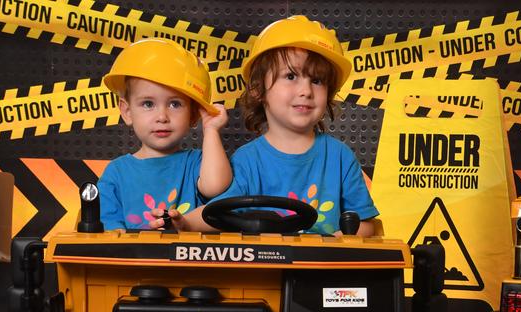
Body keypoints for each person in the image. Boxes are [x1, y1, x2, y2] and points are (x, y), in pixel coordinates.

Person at [178, 15, 378, 236]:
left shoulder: (340, 157)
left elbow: (368, 225)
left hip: (323, 269)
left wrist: (331, 245)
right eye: (291, 76)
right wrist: (183, 223)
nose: (306, 91)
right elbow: (217, 214)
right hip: (265, 270)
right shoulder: (247, 161)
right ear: (258, 88)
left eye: (317, 80)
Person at [98, 38, 231, 231]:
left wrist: (211, 130)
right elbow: (108, 234)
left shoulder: (197, 163)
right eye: (148, 104)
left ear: (193, 114)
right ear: (127, 112)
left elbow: (216, 186)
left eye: (174, 104)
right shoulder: (116, 173)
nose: (162, 116)